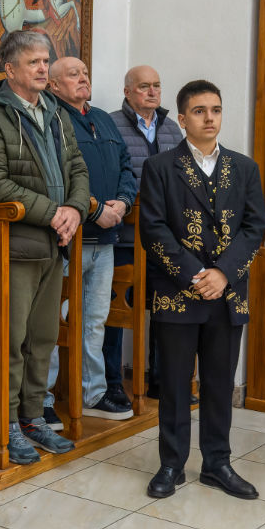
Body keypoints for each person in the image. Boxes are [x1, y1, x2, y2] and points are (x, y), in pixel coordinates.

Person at [0, 30, 90, 465]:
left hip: (55, 244)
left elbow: (78, 168)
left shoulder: (54, 110)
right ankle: (8, 426)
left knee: (43, 338)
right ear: (10, 69)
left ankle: (35, 418)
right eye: (34, 62)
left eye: (45, 60)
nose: (43, 68)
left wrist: (74, 210)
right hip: (16, 247)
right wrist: (54, 212)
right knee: (13, 340)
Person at [139, 80, 265, 499]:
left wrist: (224, 274)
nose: (209, 118)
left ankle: (217, 463)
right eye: (199, 111)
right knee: (175, 384)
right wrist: (196, 275)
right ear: (182, 118)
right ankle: (171, 464)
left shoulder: (244, 168)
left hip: (228, 295)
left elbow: (254, 228)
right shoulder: (160, 167)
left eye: (215, 110)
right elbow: (153, 229)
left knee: (219, 383)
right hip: (178, 292)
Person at [44, 56, 137, 427]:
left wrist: (124, 202)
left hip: (106, 239)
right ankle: (42, 401)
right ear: (53, 85)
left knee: (95, 321)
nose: (83, 78)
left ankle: (93, 393)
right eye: (73, 74)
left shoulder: (102, 118)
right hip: (68, 240)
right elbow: (56, 175)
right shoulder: (50, 119)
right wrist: (95, 209)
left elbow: (126, 166)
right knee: (52, 324)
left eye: (84, 73)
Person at [105, 65, 183, 402]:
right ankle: (112, 384)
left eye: (157, 86)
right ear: (127, 92)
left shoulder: (171, 128)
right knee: (116, 314)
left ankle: (162, 383)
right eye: (144, 87)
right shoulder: (110, 124)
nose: (152, 92)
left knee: (166, 308)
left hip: (164, 238)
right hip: (125, 238)